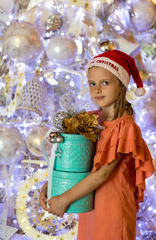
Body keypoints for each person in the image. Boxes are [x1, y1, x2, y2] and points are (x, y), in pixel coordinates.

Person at [40, 50, 155, 240]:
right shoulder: (92, 121)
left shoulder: (125, 126)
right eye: (92, 83)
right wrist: (51, 187)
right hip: (90, 204)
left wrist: (64, 199)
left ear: (121, 86)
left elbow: (102, 174)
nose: (97, 90)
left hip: (113, 209)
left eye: (105, 83)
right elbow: (75, 163)